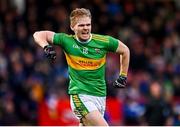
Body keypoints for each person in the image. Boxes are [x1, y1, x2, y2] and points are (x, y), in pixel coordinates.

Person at [33, 8, 130, 126]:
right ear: (72, 26)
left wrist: (123, 76)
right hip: (80, 96)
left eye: (88, 24)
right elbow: (38, 34)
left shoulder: (103, 41)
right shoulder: (66, 40)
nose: (86, 28)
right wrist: (46, 46)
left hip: (100, 96)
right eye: (81, 25)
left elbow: (125, 50)